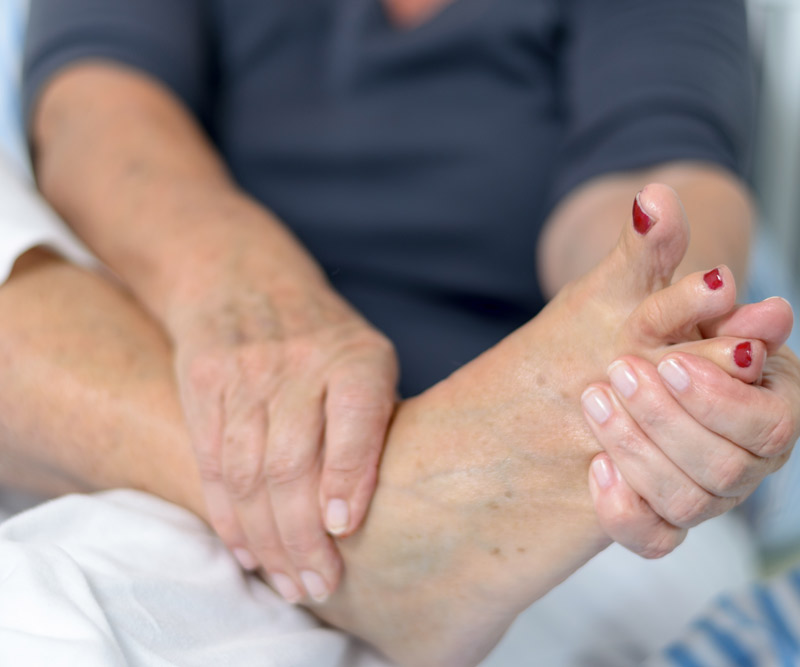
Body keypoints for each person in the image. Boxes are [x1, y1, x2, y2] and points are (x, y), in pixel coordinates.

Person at [2, 0, 797, 662]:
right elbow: (92, 120)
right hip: (190, 378)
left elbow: (658, 164)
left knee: (48, 612)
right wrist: (249, 288)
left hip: (524, 477)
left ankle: (410, 504)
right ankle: (400, 517)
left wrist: (643, 300)